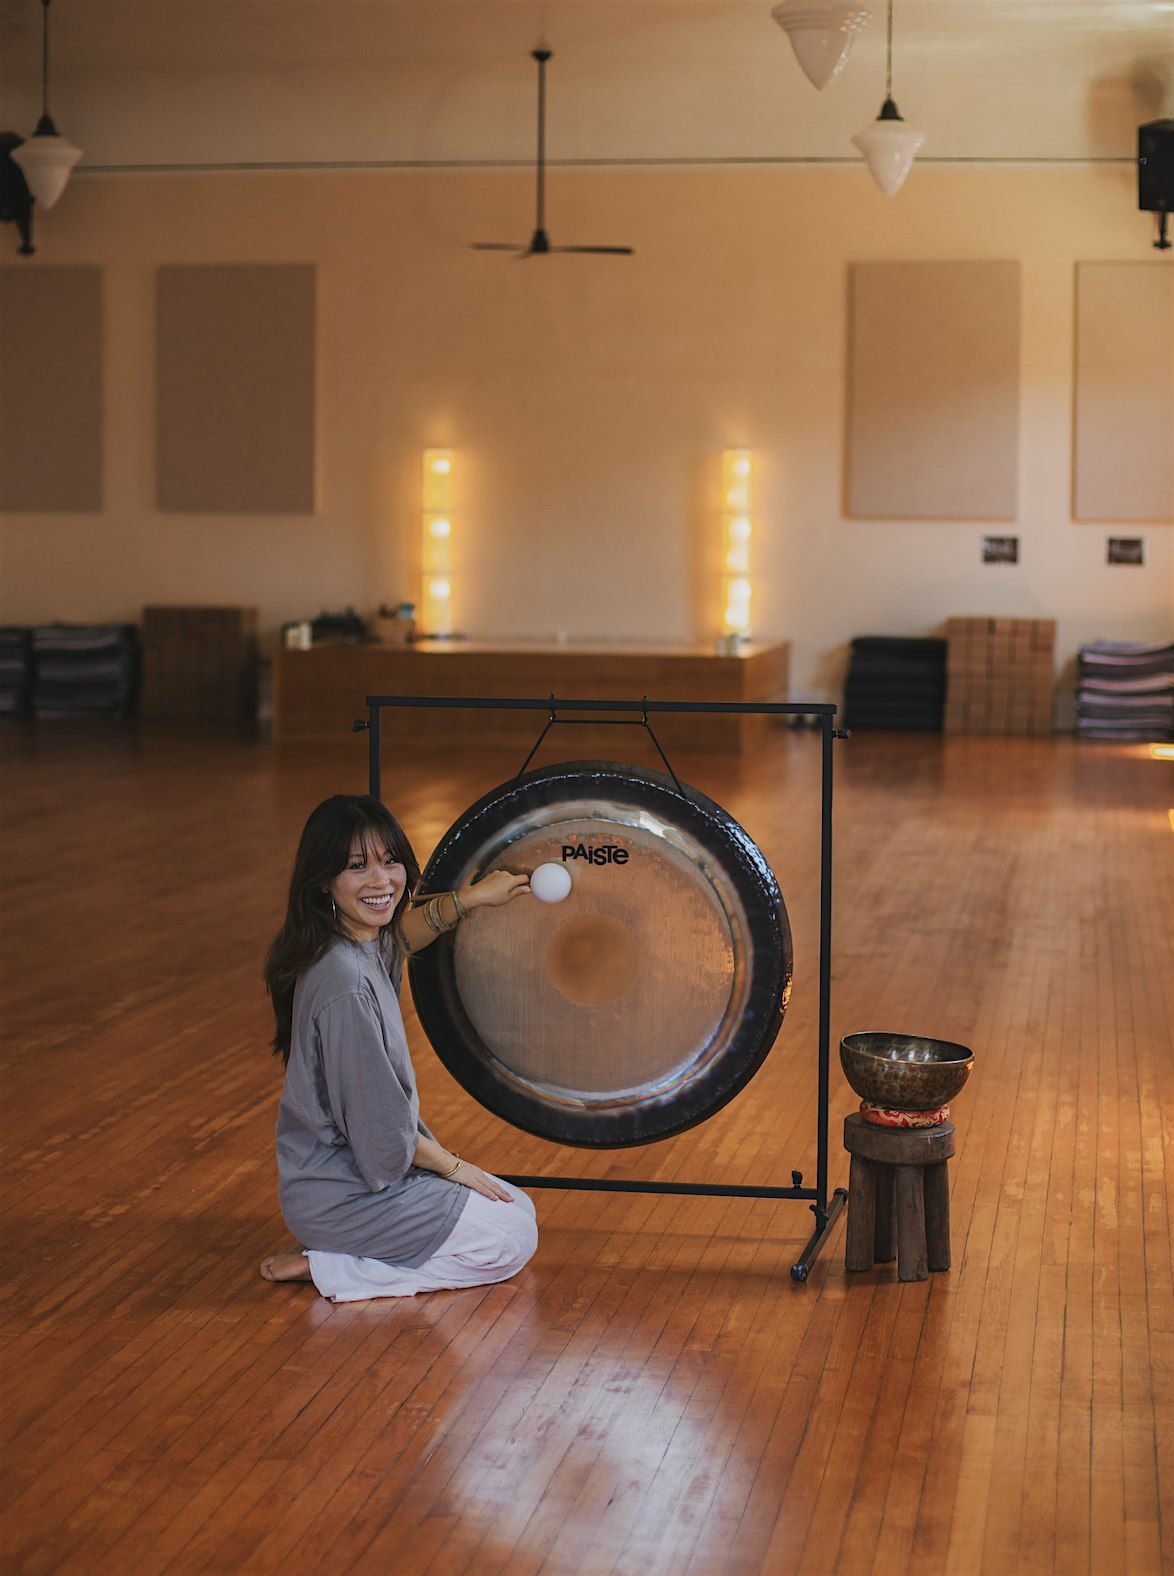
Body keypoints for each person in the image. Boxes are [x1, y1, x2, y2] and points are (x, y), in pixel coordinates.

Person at [260, 793, 537, 1302]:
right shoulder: (343, 986)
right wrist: (460, 1168)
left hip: (345, 1181)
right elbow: (385, 1139)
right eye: (357, 867)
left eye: (390, 861)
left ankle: (339, 1253)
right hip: (342, 1195)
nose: (381, 880)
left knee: (517, 1208)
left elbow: (401, 939)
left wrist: (474, 898)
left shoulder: (352, 943)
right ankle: (330, 1267)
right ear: (323, 880)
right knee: (512, 1240)